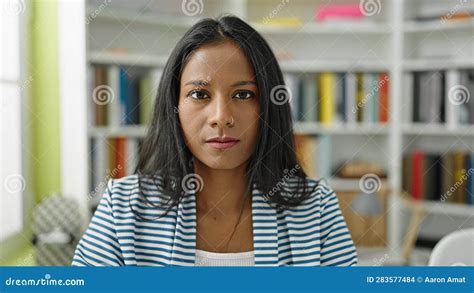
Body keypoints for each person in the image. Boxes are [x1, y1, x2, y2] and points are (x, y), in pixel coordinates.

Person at [72, 15, 357, 267]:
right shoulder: (122, 207)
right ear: (175, 105)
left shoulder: (317, 208)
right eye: (199, 94)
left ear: (269, 106)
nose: (221, 117)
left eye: (243, 95)